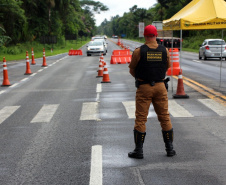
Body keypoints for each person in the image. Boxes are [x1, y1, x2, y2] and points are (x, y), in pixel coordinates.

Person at [128, 25, 176, 159]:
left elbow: (132, 70)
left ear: (145, 35)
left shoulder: (139, 51)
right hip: (161, 87)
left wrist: (141, 78)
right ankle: (170, 149)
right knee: (165, 117)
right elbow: (167, 67)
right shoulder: (164, 50)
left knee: (141, 119)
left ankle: (139, 151)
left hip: (144, 87)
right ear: (156, 35)